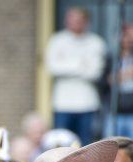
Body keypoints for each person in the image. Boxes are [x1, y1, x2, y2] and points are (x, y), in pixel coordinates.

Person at [45, 7, 106, 146]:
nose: (74, 23)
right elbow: (53, 68)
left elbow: (95, 72)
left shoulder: (96, 42)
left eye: (79, 20)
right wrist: (81, 64)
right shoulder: (57, 41)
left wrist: (66, 64)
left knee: (86, 145)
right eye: (71, 20)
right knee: (60, 144)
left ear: (86, 22)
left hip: (87, 103)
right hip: (62, 103)